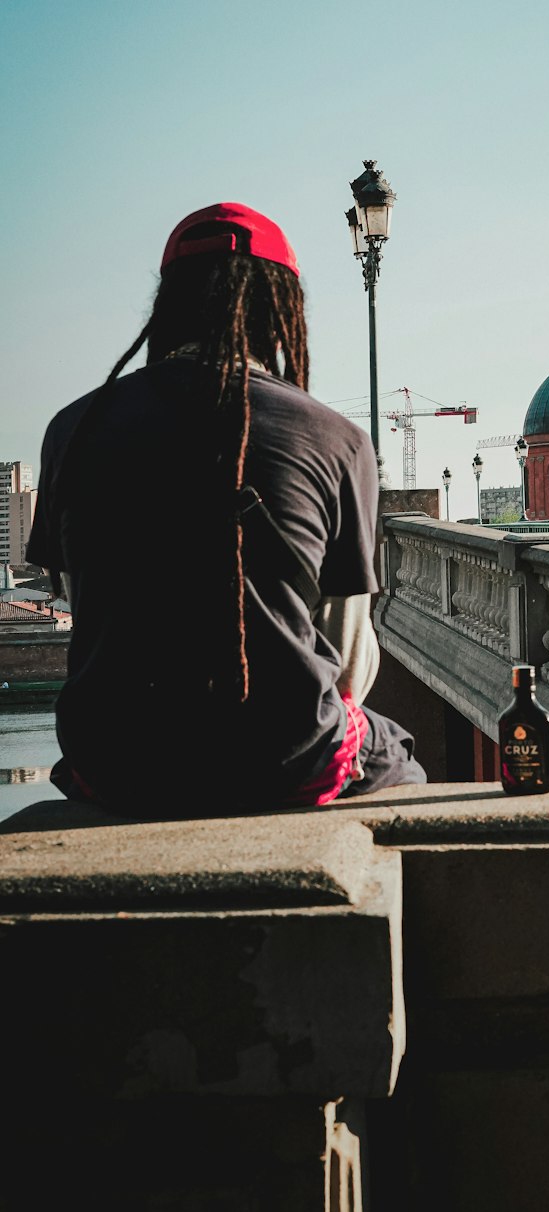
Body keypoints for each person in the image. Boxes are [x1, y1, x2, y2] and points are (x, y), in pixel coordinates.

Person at [27, 202, 425, 816]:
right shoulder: (335, 440)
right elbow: (347, 665)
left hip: (114, 764)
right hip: (285, 763)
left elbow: (90, 616)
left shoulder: (72, 430)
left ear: (169, 302)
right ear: (281, 310)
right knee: (400, 757)